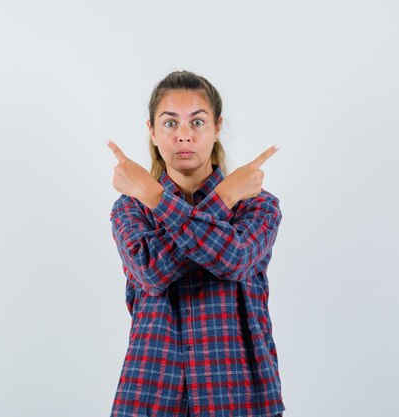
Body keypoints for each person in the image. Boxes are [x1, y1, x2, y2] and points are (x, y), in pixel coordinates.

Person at [106, 70, 285, 417]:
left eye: (197, 122)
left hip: (239, 393)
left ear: (217, 127)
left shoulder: (258, 204)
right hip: (151, 391)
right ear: (153, 132)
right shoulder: (130, 207)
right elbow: (152, 272)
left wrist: (155, 195)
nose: (184, 136)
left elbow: (232, 259)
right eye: (170, 123)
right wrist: (223, 197)